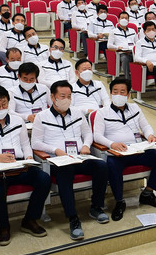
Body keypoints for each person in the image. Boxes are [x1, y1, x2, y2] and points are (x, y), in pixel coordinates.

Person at [31, 80, 109, 240]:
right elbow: (35, 143)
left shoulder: (77, 113)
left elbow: (87, 133)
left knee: (101, 166)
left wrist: (86, 145)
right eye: (62, 96)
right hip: (57, 161)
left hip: (79, 156)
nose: (66, 99)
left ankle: (96, 206)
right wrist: (56, 150)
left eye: (69, 96)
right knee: (65, 173)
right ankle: (73, 218)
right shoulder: (41, 117)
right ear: (53, 97)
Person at [0, 85, 50, 245]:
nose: (1, 108)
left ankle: (30, 220)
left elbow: (25, 144)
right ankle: (4, 227)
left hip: (20, 165)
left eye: (4, 104)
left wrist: (29, 157)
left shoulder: (17, 121)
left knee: (44, 179)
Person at [93, 78, 156, 221]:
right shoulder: (102, 113)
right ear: (110, 94)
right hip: (118, 153)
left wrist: (150, 135)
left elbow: (145, 126)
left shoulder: (135, 108)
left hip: (138, 149)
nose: (118, 95)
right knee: (112, 165)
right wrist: (112, 144)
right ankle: (119, 201)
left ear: (128, 94)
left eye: (122, 92)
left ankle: (147, 194)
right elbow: (97, 136)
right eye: (115, 91)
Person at [134, 21, 156, 104]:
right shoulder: (140, 43)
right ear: (144, 32)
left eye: (153, 29)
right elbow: (137, 57)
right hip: (148, 67)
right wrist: (146, 61)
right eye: (149, 30)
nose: (151, 31)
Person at [107, 11, 137, 78]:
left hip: (133, 52)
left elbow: (137, 43)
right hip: (121, 53)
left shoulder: (132, 31)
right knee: (125, 58)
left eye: (126, 18)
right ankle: (127, 78)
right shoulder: (113, 31)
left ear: (128, 20)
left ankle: (137, 79)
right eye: (122, 18)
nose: (124, 19)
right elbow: (109, 45)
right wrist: (118, 47)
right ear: (118, 20)